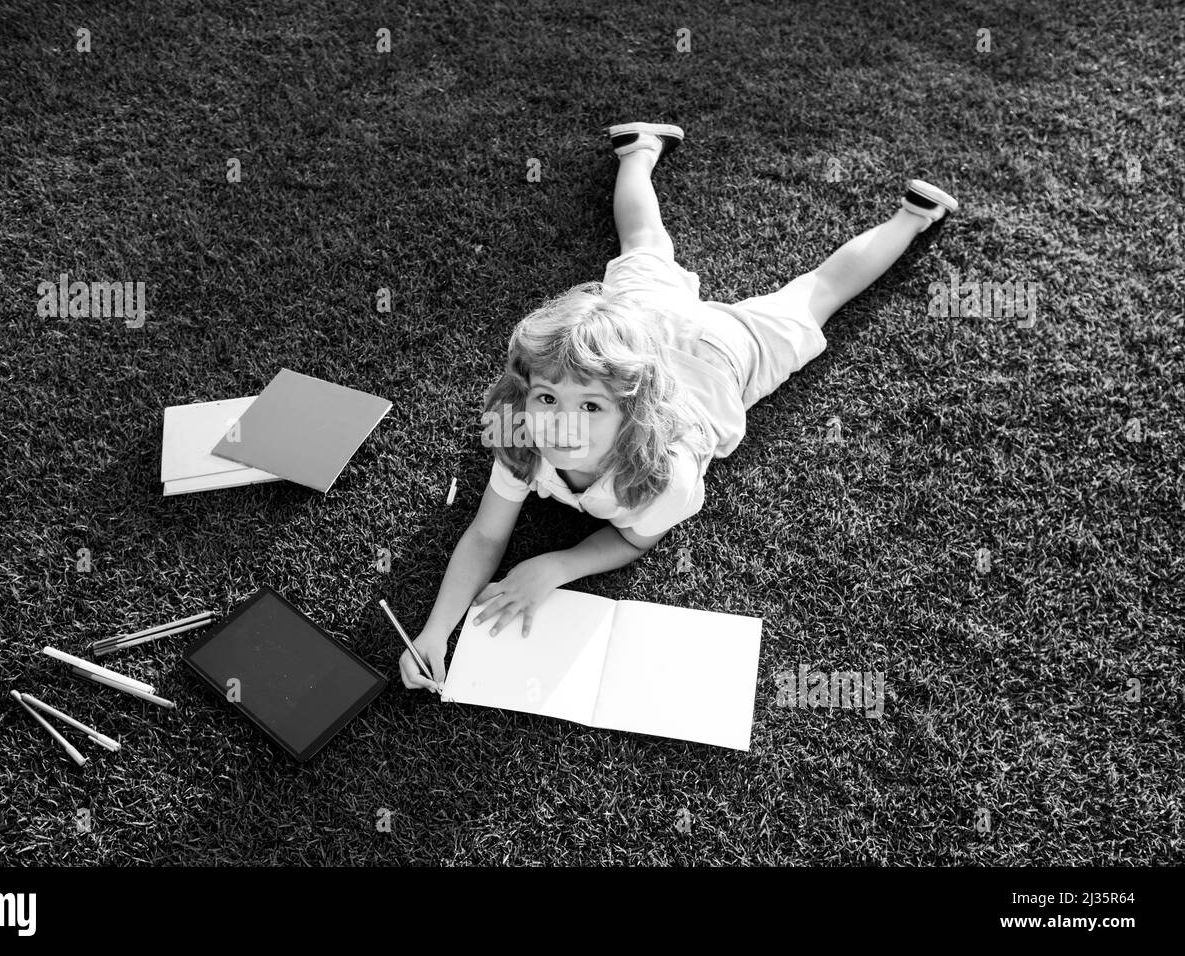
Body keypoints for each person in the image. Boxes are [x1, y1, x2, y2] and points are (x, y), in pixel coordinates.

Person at [400, 121, 958, 692]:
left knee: (819, 292)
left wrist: (560, 564)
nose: (561, 423)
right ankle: (638, 149)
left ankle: (911, 217)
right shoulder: (523, 432)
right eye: (547, 397)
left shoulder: (664, 478)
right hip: (636, 325)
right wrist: (434, 631)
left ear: (634, 415)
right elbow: (487, 535)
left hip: (718, 351)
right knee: (641, 242)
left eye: (590, 408)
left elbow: (633, 539)